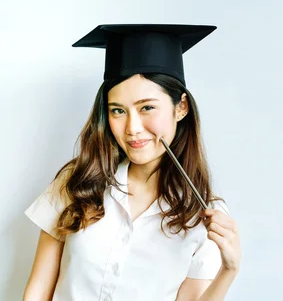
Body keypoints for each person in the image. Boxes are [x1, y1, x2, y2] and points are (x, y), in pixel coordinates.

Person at [22, 24, 241, 301]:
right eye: (118, 111)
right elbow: (38, 291)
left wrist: (229, 270)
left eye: (147, 107)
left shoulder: (205, 214)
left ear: (181, 107)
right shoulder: (77, 182)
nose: (133, 128)